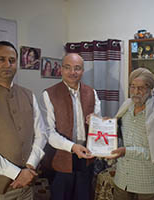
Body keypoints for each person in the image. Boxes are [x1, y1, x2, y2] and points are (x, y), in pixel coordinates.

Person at [0, 41, 89, 200]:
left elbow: (41, 134)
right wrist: (17, 173)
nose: (7, 64)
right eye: (1, 59)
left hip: (27, 185)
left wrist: (29, 167)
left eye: (12, 60)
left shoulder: (28, 94)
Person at [40, 53, 101, 200]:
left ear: (82, 71)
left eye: (77, 68)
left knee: (84, 196)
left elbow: (99, 126)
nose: (72, 72)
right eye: (68, 67)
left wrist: (96, 121)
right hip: (60, 159)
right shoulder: (49, 94)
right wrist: (72, 147)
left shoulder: (92, 93)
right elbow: (49, 132)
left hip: (86, 157)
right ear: (61, 69)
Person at [111, 68, 154, 200]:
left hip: (148, 185)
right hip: (122, 180)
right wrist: (100, 124)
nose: (136, 92)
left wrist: (126, 151)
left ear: (150, 89)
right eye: (133, 87)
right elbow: (117, 133)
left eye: (141, 88)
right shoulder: (126, 106)